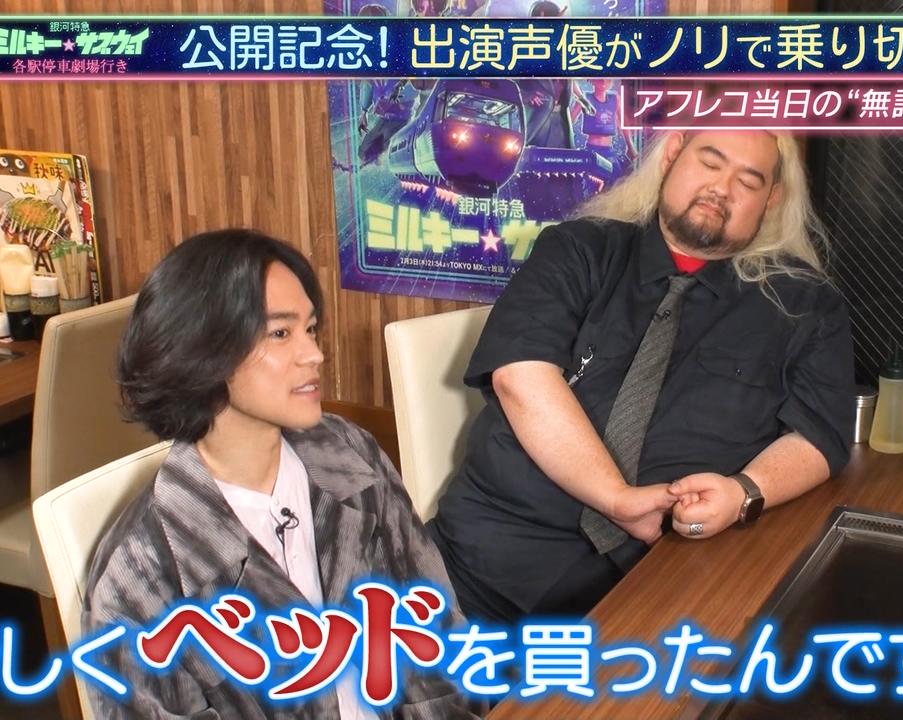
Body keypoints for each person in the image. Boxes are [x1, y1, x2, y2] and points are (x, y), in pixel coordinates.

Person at [426, 130, 855, 624]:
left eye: (748, 180)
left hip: (656, 586)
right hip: (482, 559)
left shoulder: (805, 304)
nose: (722, 188)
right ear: (672, 156)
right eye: (710, 162)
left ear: (771, 198)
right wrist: (618, 499)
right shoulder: (580, 247)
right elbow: (520, 376)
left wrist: (745, 491)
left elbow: (820, 433)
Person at [82, 229, 477, 719]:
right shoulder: (139, 574)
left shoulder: (347, 452)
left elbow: (435, 633)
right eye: (280, 333)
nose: (314, 354)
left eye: (310, 329)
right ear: (202, 349)